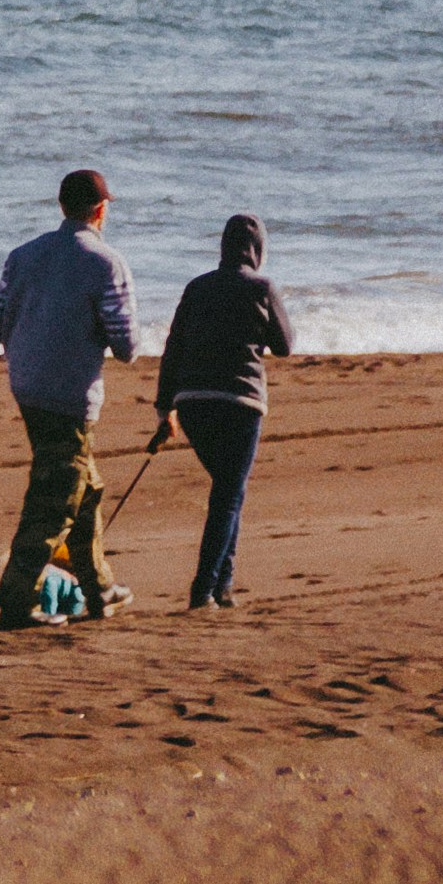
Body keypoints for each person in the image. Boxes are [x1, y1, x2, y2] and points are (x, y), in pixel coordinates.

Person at [0, 167, 137, 626]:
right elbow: (126, 343)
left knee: (85, 486)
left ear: (61, 206)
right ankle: (16, 599)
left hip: (28, 387)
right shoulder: (106, 262)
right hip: (70, 394)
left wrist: (32, 339)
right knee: (57, 498)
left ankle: (100, 587)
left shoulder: (23, 255)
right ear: (100, 209)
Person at [151, 213, 296, 611]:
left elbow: (173, 348)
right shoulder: (262, 287)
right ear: (258, 250)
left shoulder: (197, 287)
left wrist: (165, 408)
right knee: (228, 495)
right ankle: (204, 588)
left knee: (229, 490)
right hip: (241, 402)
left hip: (192, 401)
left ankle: (224, 584)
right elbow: (285, 344)